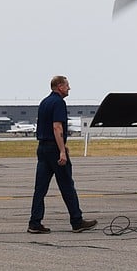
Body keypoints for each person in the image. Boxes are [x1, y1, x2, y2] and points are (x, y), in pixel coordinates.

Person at [28, 75, 97, 234]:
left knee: (40, 188)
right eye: (67, 85)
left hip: (42, 149)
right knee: (67, 186)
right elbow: (57, 127)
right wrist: (62, 150)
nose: (69, 88)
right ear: (59, 86)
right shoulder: (59, 102)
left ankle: (34, 222)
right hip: (53, 150)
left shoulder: (44, 102)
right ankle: (77, 221)